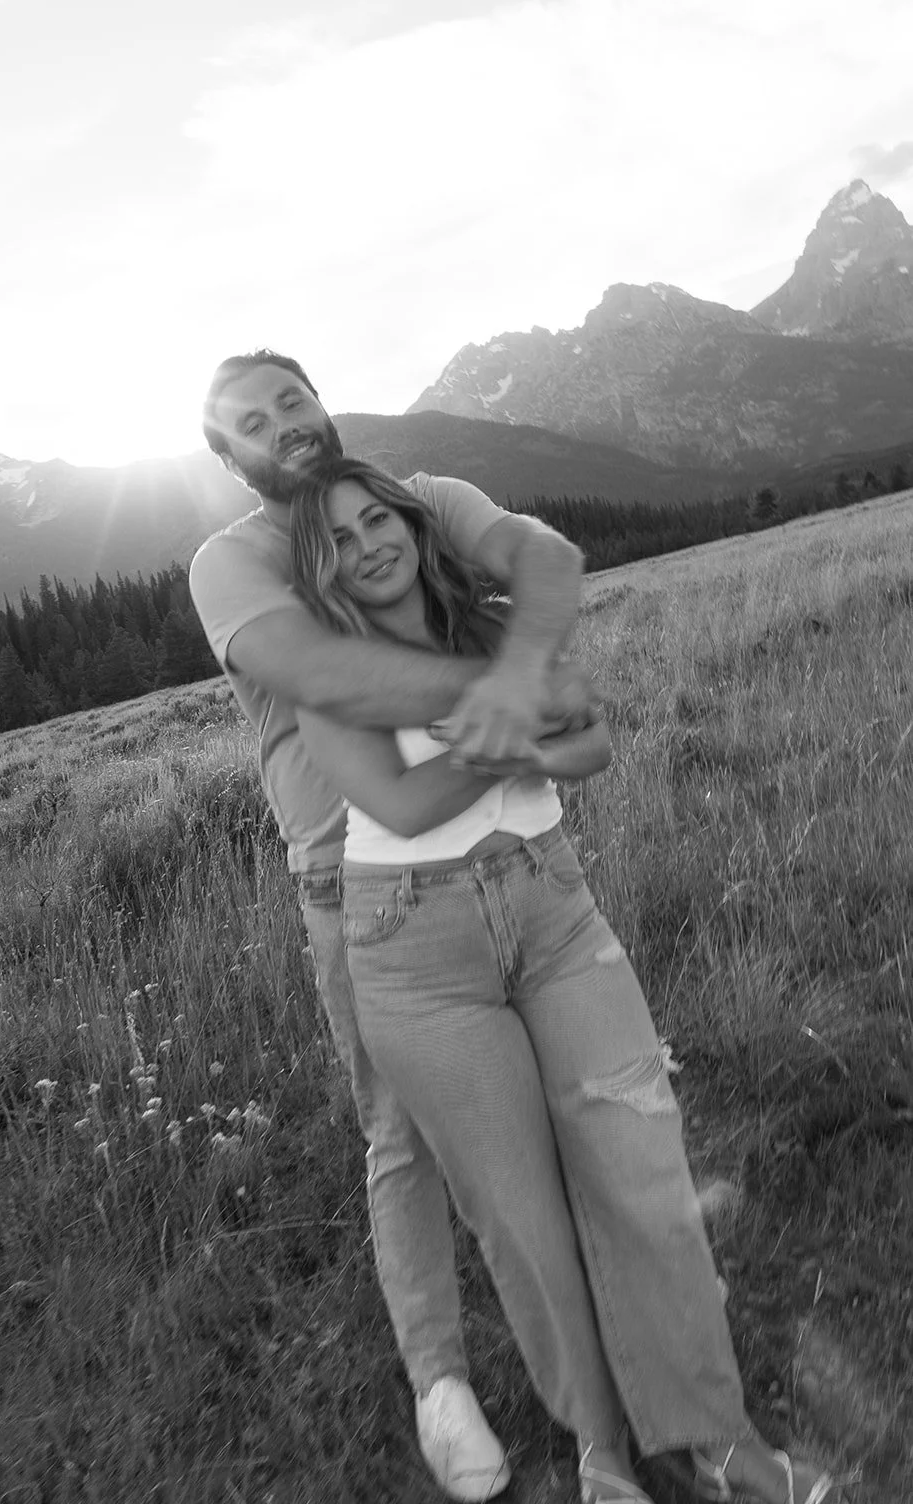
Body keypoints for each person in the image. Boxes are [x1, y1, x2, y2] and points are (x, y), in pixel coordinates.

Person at [285, 454, 843, 1504]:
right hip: (411, 945)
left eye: (376, 521)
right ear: (320, 573)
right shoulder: (328, 671)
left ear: (410, 521)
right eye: (338, 543)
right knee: (521, 1221)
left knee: (642, 1175)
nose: (366, 547)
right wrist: (515, 740)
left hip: (550, 906)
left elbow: (589, 742)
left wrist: (510, 735)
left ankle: (717, 1443)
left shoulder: (498, 622)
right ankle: (600, 1450)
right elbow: (397, 805)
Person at [190, 349, 601, 1501]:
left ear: (319, 402)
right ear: (227, 458)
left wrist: (518, 670)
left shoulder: (417, 498)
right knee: (402, 1133)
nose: (281, 425)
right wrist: (513, 689)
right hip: (353, 882)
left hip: (504, 840)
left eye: (290, 400)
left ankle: (628, 1278)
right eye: (249, 423)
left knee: (575, 1087)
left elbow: (547, 561)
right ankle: (440, 1382)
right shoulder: (232, 560)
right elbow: (321, 672)